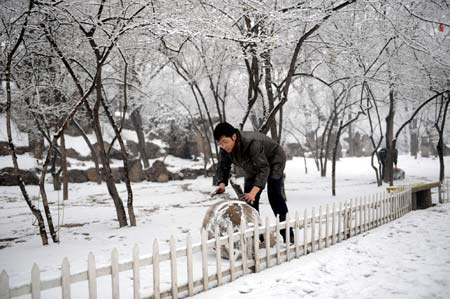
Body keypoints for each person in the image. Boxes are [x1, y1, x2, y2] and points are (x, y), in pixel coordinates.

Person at [213, 122, 294, 244]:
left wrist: (254, 192)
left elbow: (264, 168)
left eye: (225, 142)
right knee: (249, 202)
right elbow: (223, 165)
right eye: (220, 143)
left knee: (274, 197)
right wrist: (222, 184)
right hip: (251, 164)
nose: (223, 146)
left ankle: (288, 236)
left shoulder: (253, 143)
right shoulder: (225, 148)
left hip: (274, 160)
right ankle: (258, 236)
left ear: (234, 137)